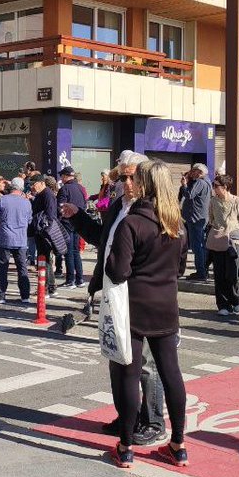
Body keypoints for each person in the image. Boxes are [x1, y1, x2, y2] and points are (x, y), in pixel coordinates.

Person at [61, 150, 166, 447]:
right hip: (112, 291)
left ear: (144, 177)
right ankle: (127, 416)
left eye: (131, 176)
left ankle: (154, 422)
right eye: (122, 176)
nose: (126, 182)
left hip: (139, 294)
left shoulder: (152, 209)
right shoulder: (120, 205)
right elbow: (103, 238)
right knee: (116, 356)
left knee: (144, 363)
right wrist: (78, 216)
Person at [104, 160, 189, 469]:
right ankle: (178, 445)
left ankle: (126, 447)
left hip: (135, 308)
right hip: (167, 306)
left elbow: (118, 271)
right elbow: (179, 268)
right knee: (171, 373)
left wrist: (116, 258)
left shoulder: (132, 224)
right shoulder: (176, 224)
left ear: (143, 185)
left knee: (129, 372)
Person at [206, 174, 239, 316]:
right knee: (219, 274)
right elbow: (211, 219)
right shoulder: (213, 202)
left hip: (233, 242)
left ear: (224, 187)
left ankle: (236, 301)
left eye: (216, 186)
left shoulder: (237, 202)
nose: (214, 188)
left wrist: (236, 232)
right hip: (218, 240)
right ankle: (223, 305)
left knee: (233, 274)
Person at [0, 177, 33, 304]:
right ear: (22, 188)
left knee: (3, 268)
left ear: (11, 187)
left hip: (5, 238)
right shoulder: (26, 203)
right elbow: (29, 221)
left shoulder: (2, 200)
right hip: (21, 240)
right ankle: (25, 296)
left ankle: (1, 295)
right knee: (22, 268)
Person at [28, 174, 66, 298]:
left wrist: (45, 229)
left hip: (44, 231)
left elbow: (50, 214)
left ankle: (46, 288)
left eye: (34, 184)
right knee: (44, 259)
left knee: (44, 259)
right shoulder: (41, 194)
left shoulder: (47, 194)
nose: (32, 187)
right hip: (41, 231)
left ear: (41, 183)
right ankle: (48, 287)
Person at [178, 164, 211, 281]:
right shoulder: (206, 182)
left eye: (194, 171)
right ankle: (202, 271)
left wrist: (184, 185)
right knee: (199, 245)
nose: (192, 173)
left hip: (196, 218)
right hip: (198, 217)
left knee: (198, 247)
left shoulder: (200, 183)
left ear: (199, 172)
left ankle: (201, 272)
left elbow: (189, 195)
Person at [56, 166, 86, 288]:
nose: (61, 179)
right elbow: (84, 205)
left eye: (62, 176)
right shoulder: (80, 188)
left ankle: (70, 280)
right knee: (76, 252)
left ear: (66, 176)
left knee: (68, 252)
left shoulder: (65, 189)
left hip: (67, 223)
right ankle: (80, 279)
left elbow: (60, 207)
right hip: (78, 223)